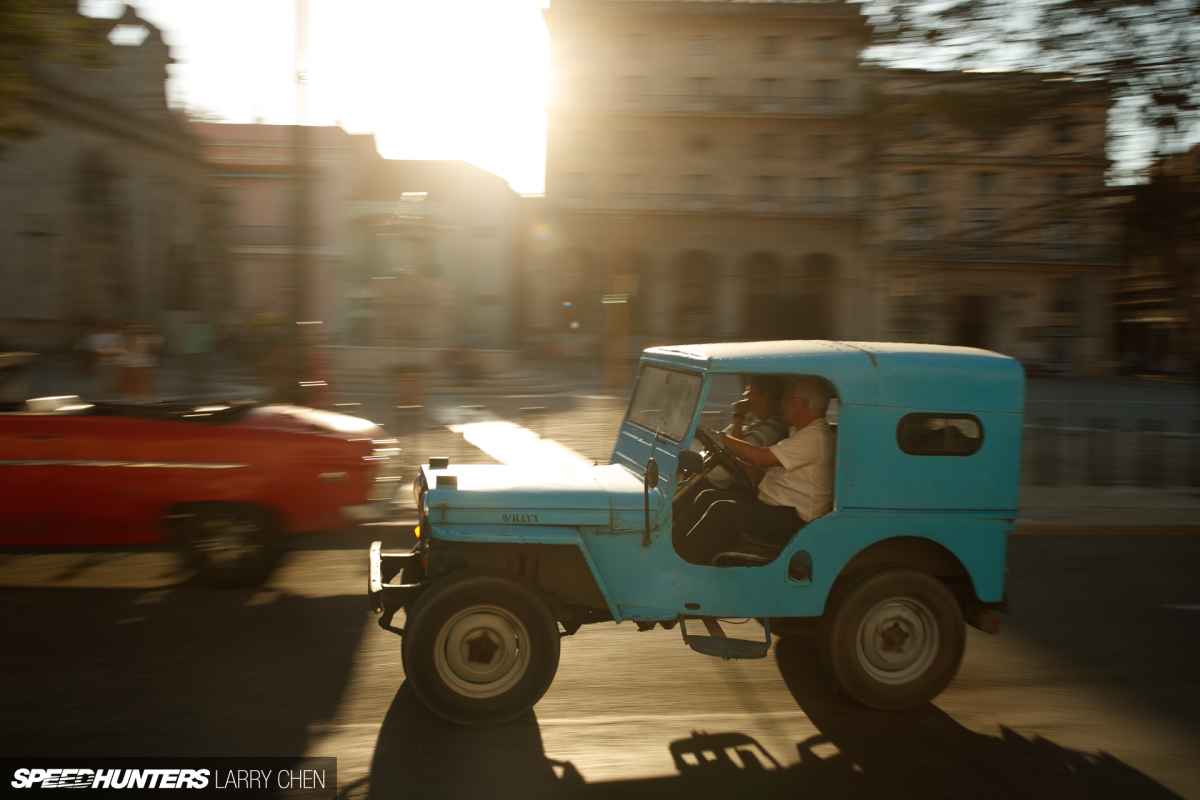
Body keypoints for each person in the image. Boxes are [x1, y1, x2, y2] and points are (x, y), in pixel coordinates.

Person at [675, 376, 836, 566]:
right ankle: (673, 549)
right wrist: (730, 460)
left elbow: (760, 457)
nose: (783, 402)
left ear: (802, 404)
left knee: (722, 511)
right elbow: (764, 475)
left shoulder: (815, 436)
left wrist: (718, 437)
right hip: (776, 506)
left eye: (788, 398)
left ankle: (680, 568)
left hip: (794, 518)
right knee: (707, 496)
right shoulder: (800, 432)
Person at [705, 375, 788, 491]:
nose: (745, 395)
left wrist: (738, 416)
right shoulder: (752, 419)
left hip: (725, 481)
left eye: (750, 391)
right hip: (710, 469)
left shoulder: (774, 427)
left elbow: (734, 450)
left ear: (765, 398)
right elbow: (721, 439)